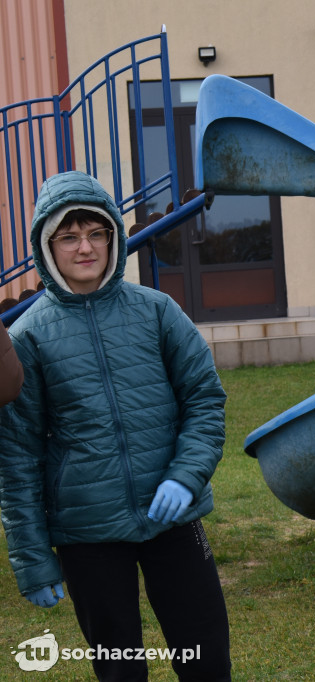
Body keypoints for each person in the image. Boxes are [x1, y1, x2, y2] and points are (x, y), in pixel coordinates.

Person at [0, 171, 231, 681]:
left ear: (112, 236)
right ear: (47, 245)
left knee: (207, 658)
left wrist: (186, 475)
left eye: (96, 233)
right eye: (69, 236)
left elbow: (204, 399)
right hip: (87, 534)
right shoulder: (27, 338)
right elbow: (17, 458)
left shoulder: (157, 311)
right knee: (121, 670)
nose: (86, 247)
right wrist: (33, 560)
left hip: (173, 518)